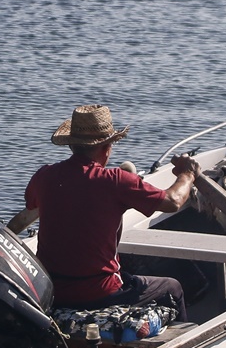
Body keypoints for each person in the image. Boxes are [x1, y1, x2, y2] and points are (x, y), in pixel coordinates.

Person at [10, 104, 200, 318]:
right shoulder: (117, 182)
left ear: (71, 146)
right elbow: (173, 201)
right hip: (101, 294)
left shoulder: (44, 176)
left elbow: (28, 213)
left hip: (51, 291)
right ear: (107, 147)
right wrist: (188, 173)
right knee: (172, 288)